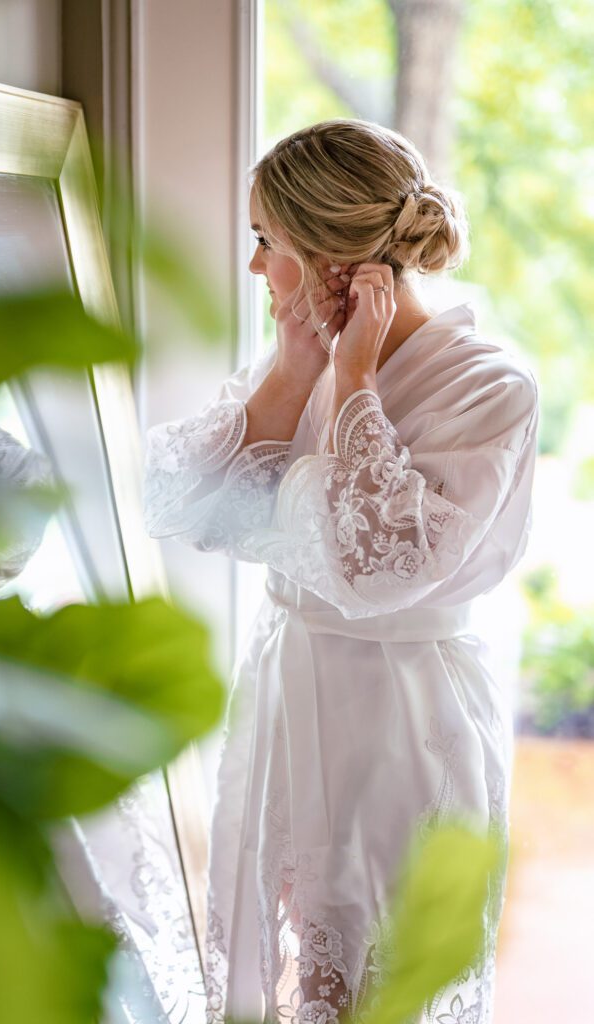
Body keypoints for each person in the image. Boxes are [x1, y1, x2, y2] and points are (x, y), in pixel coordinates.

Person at [141, 119, 539, 1023]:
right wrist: (296, 368)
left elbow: (383, 565)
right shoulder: (298, 358)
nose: (254, 266)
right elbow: (180, 504)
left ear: (331, 259)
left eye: (265, 241)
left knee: (380, 977)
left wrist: (356, 378)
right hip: (289, 684)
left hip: (402, 710)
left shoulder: (489, 386)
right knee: (295, 962)